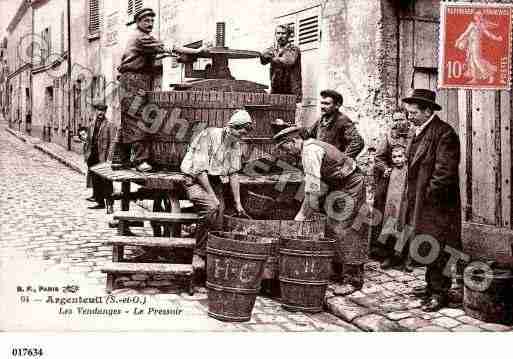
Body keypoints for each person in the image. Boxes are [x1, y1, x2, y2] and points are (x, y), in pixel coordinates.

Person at [273, 127, 367, 292]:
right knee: (331, 226)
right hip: (338, 184)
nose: (286, 152)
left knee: (346, 228)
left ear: (294, 141)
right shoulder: (307, 148)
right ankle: (338, 272)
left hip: (352, 184)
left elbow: (312, 191)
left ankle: (353, 280)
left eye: (285, 148)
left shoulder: (310, 152)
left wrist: (301, 216)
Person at [117, 7, 208, 172]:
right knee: (138, 117)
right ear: (138, 22)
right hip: (133, 80)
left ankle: (121, 158)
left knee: (132, 116)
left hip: (138, 79)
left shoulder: (142, 39)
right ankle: (139, 161)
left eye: (152, 21)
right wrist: (197, 51)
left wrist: (176, 56)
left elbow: (158, 54)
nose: (150, 23)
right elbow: (168, 47)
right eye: (146, 20)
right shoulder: (141, 38)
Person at [399, 89, 462, 312]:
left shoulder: (445, 133)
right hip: (421, 201)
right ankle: (430, 285)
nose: (410, 117)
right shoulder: (419, 131)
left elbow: (444, 173)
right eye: (408, 113)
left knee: (440, 246)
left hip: (437, 203)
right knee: (427, 242)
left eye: (414, 112)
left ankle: (439, 293)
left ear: (427, 111)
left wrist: (428, 198)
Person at [180, 109, 253, 264]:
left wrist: (238, 204)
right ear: (229, 127)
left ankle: (213, 255)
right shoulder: (209, 135)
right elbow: (200, 171)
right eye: (238, 131)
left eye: (243, 134)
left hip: (214, 180)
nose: (240, 136)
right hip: (194, 179)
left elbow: (233, 174)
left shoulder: (235, 145)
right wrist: (213, 197)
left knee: (220, 216)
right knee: (211, 207)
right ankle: (198, 253)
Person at [374, 109, 415, 269]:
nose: (398, 123)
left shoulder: (415, 134)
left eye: (401, 119)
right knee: (391, 214)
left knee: (408, 216)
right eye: (395, 120)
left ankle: (408, 256)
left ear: (408, 119)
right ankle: (388, 253)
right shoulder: (389, 135)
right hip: (394, 178)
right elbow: (378, 157)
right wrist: (385, 168)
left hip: (411, 178)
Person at [303, 89, 364, 159]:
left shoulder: (342, 120)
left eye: (326, 104)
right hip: (322, 161)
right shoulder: (322, 119)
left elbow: (358, 142)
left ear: (337, 105)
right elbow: (309, 135)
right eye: (322, 103)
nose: (322, 107)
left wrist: (343, 159)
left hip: (334, 165)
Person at [260, 25, 302, 123]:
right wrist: (263, 55)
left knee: (291, 122)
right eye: (278, 33)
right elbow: (263, 59)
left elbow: (288, 61)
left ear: (289, 36)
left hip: (292, 92)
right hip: (276, 92)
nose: (280, 36)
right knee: (275, 120)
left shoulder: (293, 49)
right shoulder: (273, 49)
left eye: (283, 33)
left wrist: (273, 57)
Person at [454, 10, 503, 84]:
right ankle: (474, 79)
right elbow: (465, 34)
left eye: (480, 16)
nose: (479, 17)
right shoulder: (472, 24)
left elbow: (488, 34)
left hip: (476, 44)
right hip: (471, 44)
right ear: (474, 17)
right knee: (472, 61)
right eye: (477, 16)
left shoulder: (482, 25)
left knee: (477, 60)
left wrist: (497, 38)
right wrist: (458, 40)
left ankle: (490, 75)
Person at [83, 102, 116, 211]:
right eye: (98, 110)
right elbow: (88, 140)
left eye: (102, 111)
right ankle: (99, 201)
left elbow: (112, 142)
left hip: (103, 156)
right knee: (96, 179)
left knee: (106, 180)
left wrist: (109, 158)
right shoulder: (92, 124)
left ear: (105, 112)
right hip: (93, 155)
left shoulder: (109, 124)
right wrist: (87, 155)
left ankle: (110, 203)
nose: (100, 112)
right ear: (95, 111)